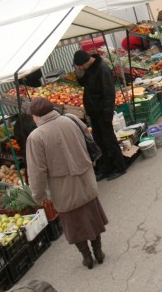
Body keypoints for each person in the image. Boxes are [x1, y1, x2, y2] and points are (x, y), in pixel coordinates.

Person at [26, 98, 109, 270]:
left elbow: (37, 171)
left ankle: (87, 257)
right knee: (92, 216)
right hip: (86, 179)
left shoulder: (36, 137)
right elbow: (89, 139)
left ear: (36, 116)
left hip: (63, 188)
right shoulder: (71, 119)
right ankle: (98, 251)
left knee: (75, 225)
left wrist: (39, 195)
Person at [73, 50, 126, 181]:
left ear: (86, 61)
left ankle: (120, 167)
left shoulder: (102, 68)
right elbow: (83, 83)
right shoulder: (89, 68)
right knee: (99, 142)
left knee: (109, 140)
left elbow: (109, 93)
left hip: (103, 112)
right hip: (94, 111)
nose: (80, 69)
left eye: (80, 66)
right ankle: (105, 169)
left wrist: (107, 114)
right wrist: (80, 73)